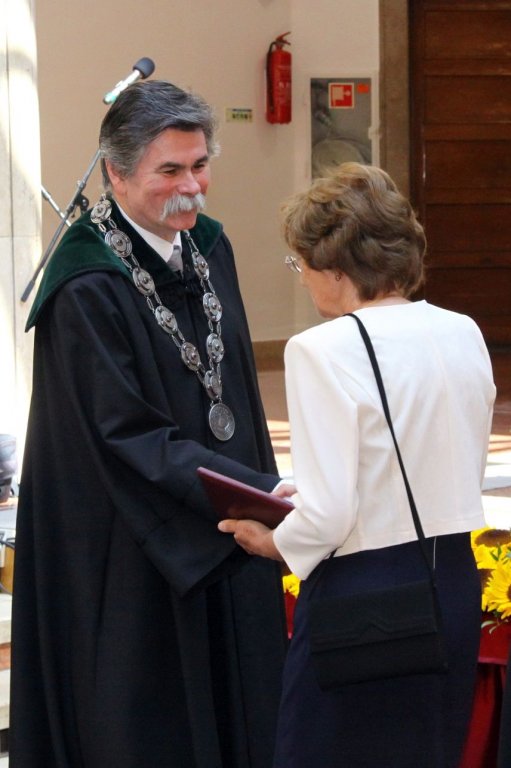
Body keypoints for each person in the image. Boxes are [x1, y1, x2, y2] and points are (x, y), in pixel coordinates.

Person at [10, 80, 287, 768]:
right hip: (134, 535)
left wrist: (255, 493)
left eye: (200, 165)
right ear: (116, 173)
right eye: (170, 170)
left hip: (222, 513)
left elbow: (234, 391)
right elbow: (123, 433)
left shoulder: (209, 247)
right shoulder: (86, 284)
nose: (191, 188)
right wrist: (249, 489)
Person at [219, 162, 496, 767]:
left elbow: (329, 515)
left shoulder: (321, 349)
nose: (301, 280)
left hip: (364, 595)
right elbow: (444, 465)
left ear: (336, 266)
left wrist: (273, 541)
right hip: (451, 578)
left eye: (300, 264)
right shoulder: (463, 330)